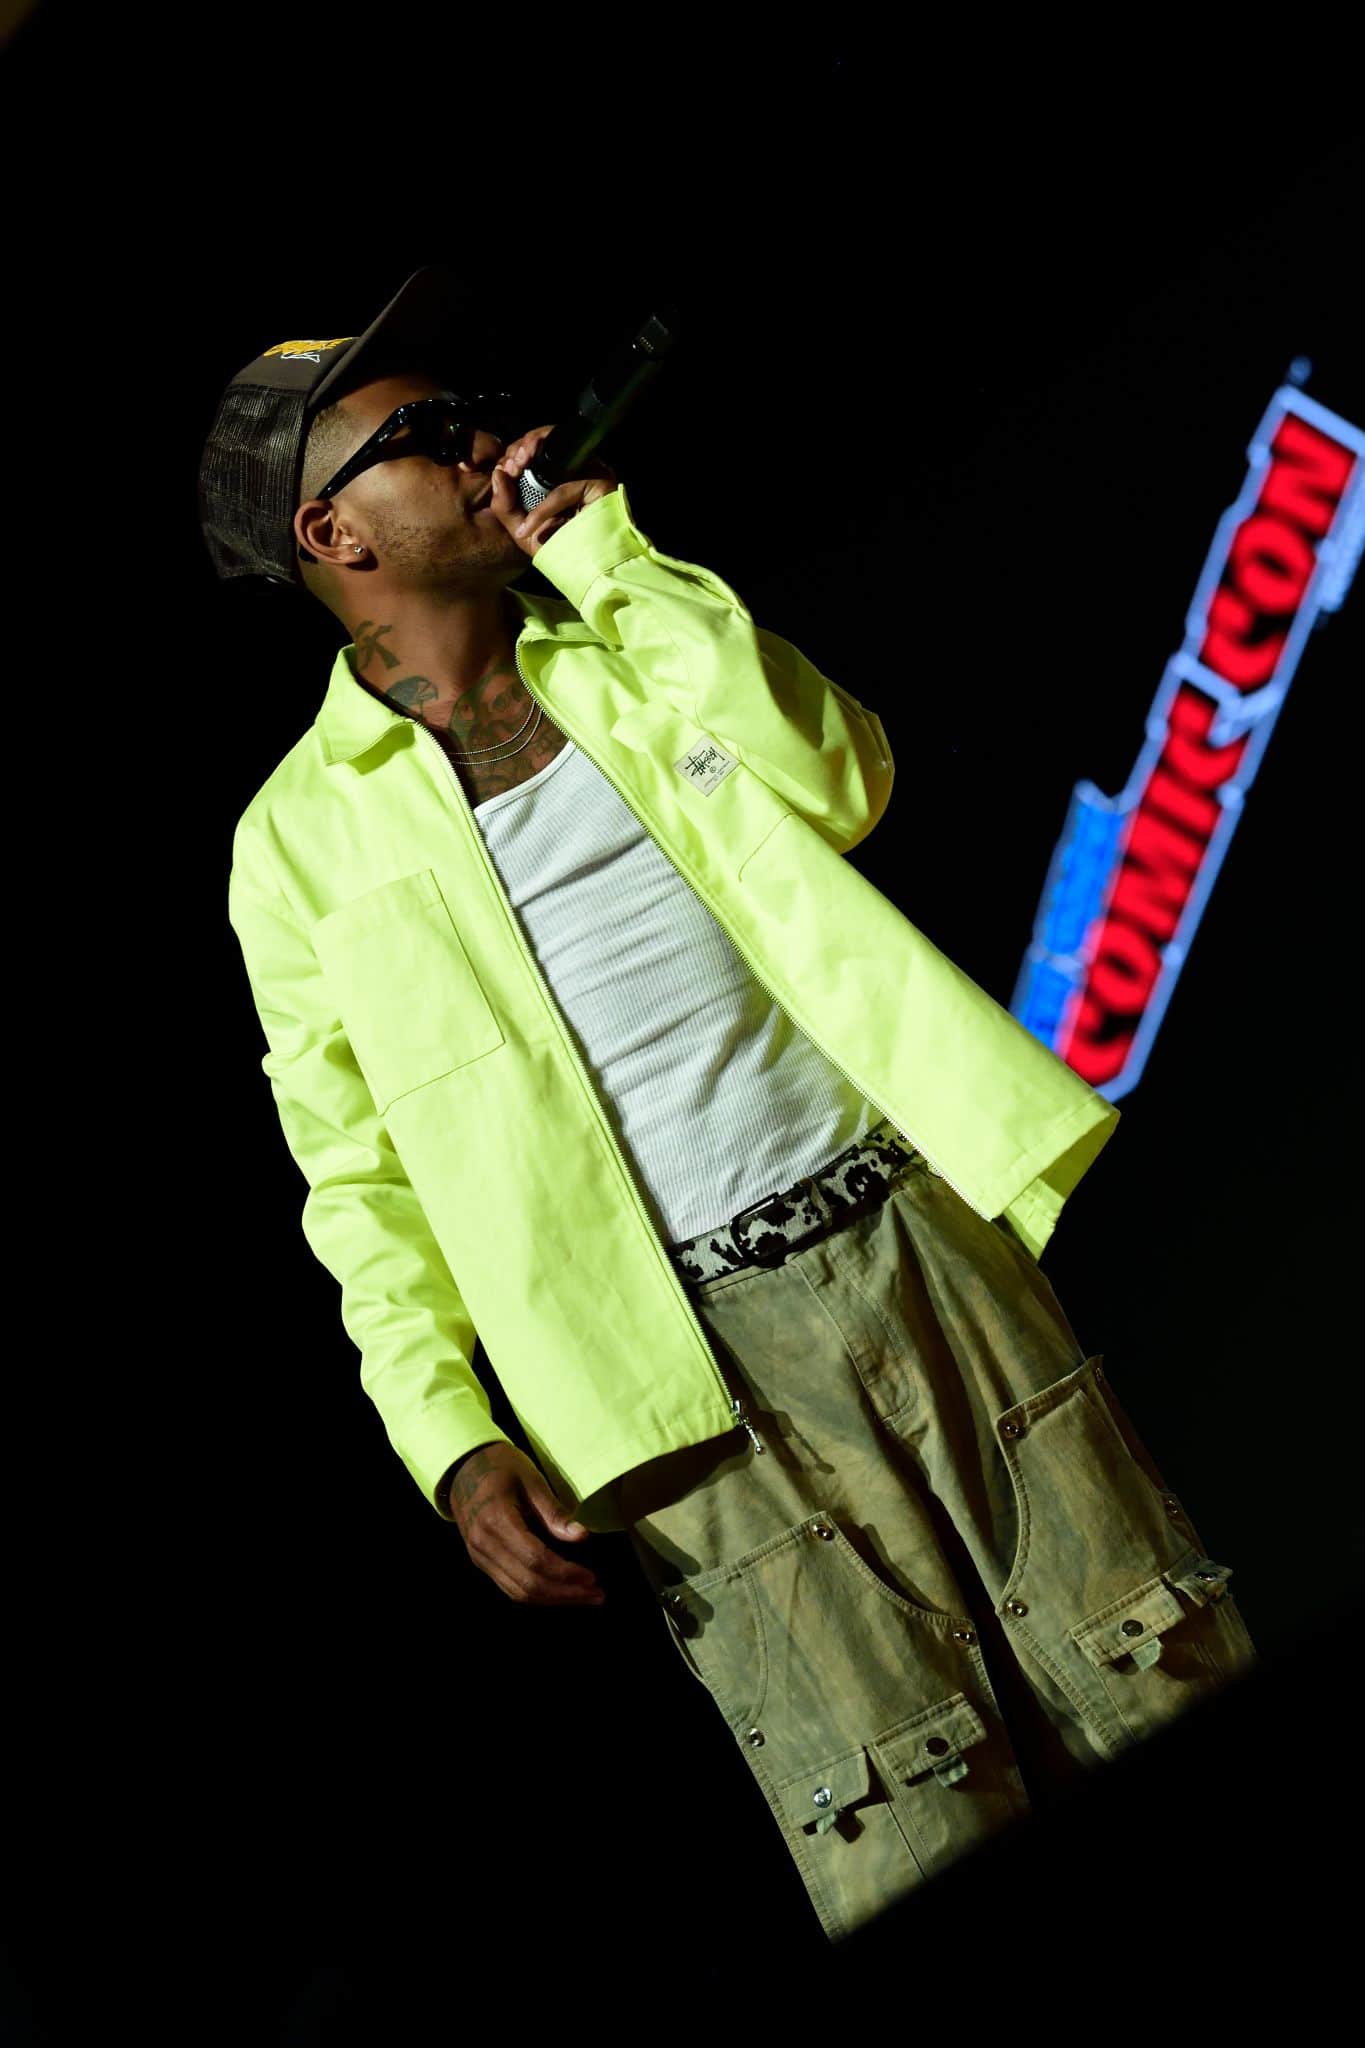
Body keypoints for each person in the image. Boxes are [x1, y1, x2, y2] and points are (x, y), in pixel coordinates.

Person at [201, 266, 1261, 1944]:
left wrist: (612, 564)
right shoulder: (294, 847)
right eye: (424, 431)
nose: (479, 440)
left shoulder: (628, 642)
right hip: (674, 1385)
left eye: (470, 410)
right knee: (899, 1820)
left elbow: (845, 779)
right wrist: (448, 1440)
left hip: (909, 1236)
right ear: (333, 535)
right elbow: (356, 1180)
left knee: (1157, 1662)